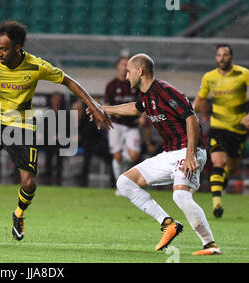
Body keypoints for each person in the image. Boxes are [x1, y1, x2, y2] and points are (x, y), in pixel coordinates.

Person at [0, 21, 111, 241]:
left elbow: (68, 81)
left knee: (28, 183)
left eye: (4, 49)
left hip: (22, 127)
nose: (0, 53)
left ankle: (18, 214)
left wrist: (93, 104)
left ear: (17, 47)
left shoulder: (36, 66)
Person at [91, 53, 221, 255]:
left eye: (128, 71)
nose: (126, 77)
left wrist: (189, 156)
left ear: (139, 71)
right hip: (169, 154)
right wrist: (103, 109)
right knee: (124, 182)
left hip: (188, 151)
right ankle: (168, 223)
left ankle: (210, 244)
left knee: (180, 195)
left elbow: (191, 119)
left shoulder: (165, 91)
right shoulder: (145, 95)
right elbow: (135, 109)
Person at [192, 44, 249, 218]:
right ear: (216, 57)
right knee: (217, 162)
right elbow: (200, 99)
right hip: (217, 126)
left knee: (231, 168)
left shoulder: (243, 73)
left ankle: (222, 179)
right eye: (219, 55)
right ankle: (217, 204)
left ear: (231, 57)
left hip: (238, 127)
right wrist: (187, 114)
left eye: (225, 55)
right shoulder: (209, 77)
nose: (222, 58)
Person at [104, 56, 144, 187]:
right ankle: (120, 185)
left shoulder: (135, 84)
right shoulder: (111, 85)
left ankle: (125, 177)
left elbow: (143, 103)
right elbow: (106, 104)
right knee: (117, 156)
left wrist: (143, 116)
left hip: (132, 125)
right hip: (116, 125)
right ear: (117, 66)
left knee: (134, 155)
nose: (124, 67)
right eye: (122, 64)